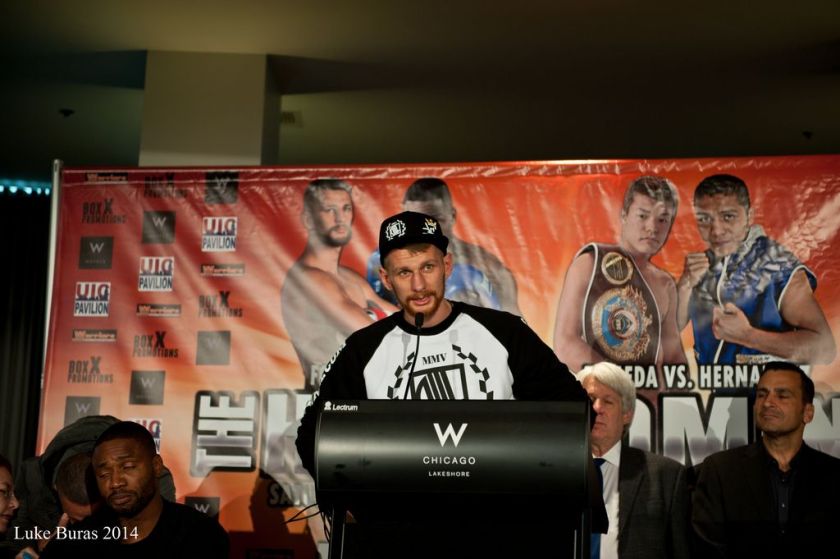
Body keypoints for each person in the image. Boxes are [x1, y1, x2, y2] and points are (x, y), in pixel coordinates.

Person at [297, 210, 604, 558]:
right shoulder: (362, 350)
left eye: (428, 267)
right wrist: (357, 505)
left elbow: (574, 414)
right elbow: (313, 435)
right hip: (397, 538)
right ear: (386, 278)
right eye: (404, 272)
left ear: (447, 265)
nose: (418, 285)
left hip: (501, 535)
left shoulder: (505, 332)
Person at [677, 174, 836, 365]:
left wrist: (748, 335)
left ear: (749, 216)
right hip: (711, 384)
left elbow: (824, 349)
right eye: (705, 219)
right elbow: (672, 328)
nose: (716, 230)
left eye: (728, 217)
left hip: (767, 384)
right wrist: (685, 284)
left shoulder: (779, 265)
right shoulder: (702, 264)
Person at [692, 361, 840, 557]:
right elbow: (706, 549)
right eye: (762, 394)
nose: (768, 402)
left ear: (807, 413)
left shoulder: (834, 475)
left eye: (782, 395)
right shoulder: (720, 471)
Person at [554, 176, 686, 373]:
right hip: (596, 390)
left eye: (662, 220)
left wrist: (676, 390)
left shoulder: (665, 284)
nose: (652, 227)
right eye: (643, 216)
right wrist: (619, 383)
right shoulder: (590, 263)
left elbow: (673, 359)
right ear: (624, 215)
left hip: (646, 392)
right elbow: (565, 345)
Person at [41, 421, 228, 558]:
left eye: (128, 467)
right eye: (104, 474)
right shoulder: (76, 543)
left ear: (156, 466)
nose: (115, 482)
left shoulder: (199, 535)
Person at [282, 179, 397, 391]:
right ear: (308, 219)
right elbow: (375, 336)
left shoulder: (349, 277)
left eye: (346, 209)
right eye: (329, 210)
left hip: (362, 397)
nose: (339, 218)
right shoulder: (308, 280)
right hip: (329, 400)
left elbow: (399, 319)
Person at [577, 362, 690, 559]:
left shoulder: (666, 476)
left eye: (608, 401)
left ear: (626, 415)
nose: (597, 408)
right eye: (591, 399)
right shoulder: (554, 474)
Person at [366, 177, 521, 314]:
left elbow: (513, 329)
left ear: (452, 216)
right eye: (415, 220)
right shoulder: (382, 263)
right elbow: (373, 321)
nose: (423, 230)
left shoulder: (488, 268)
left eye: (435, 220)